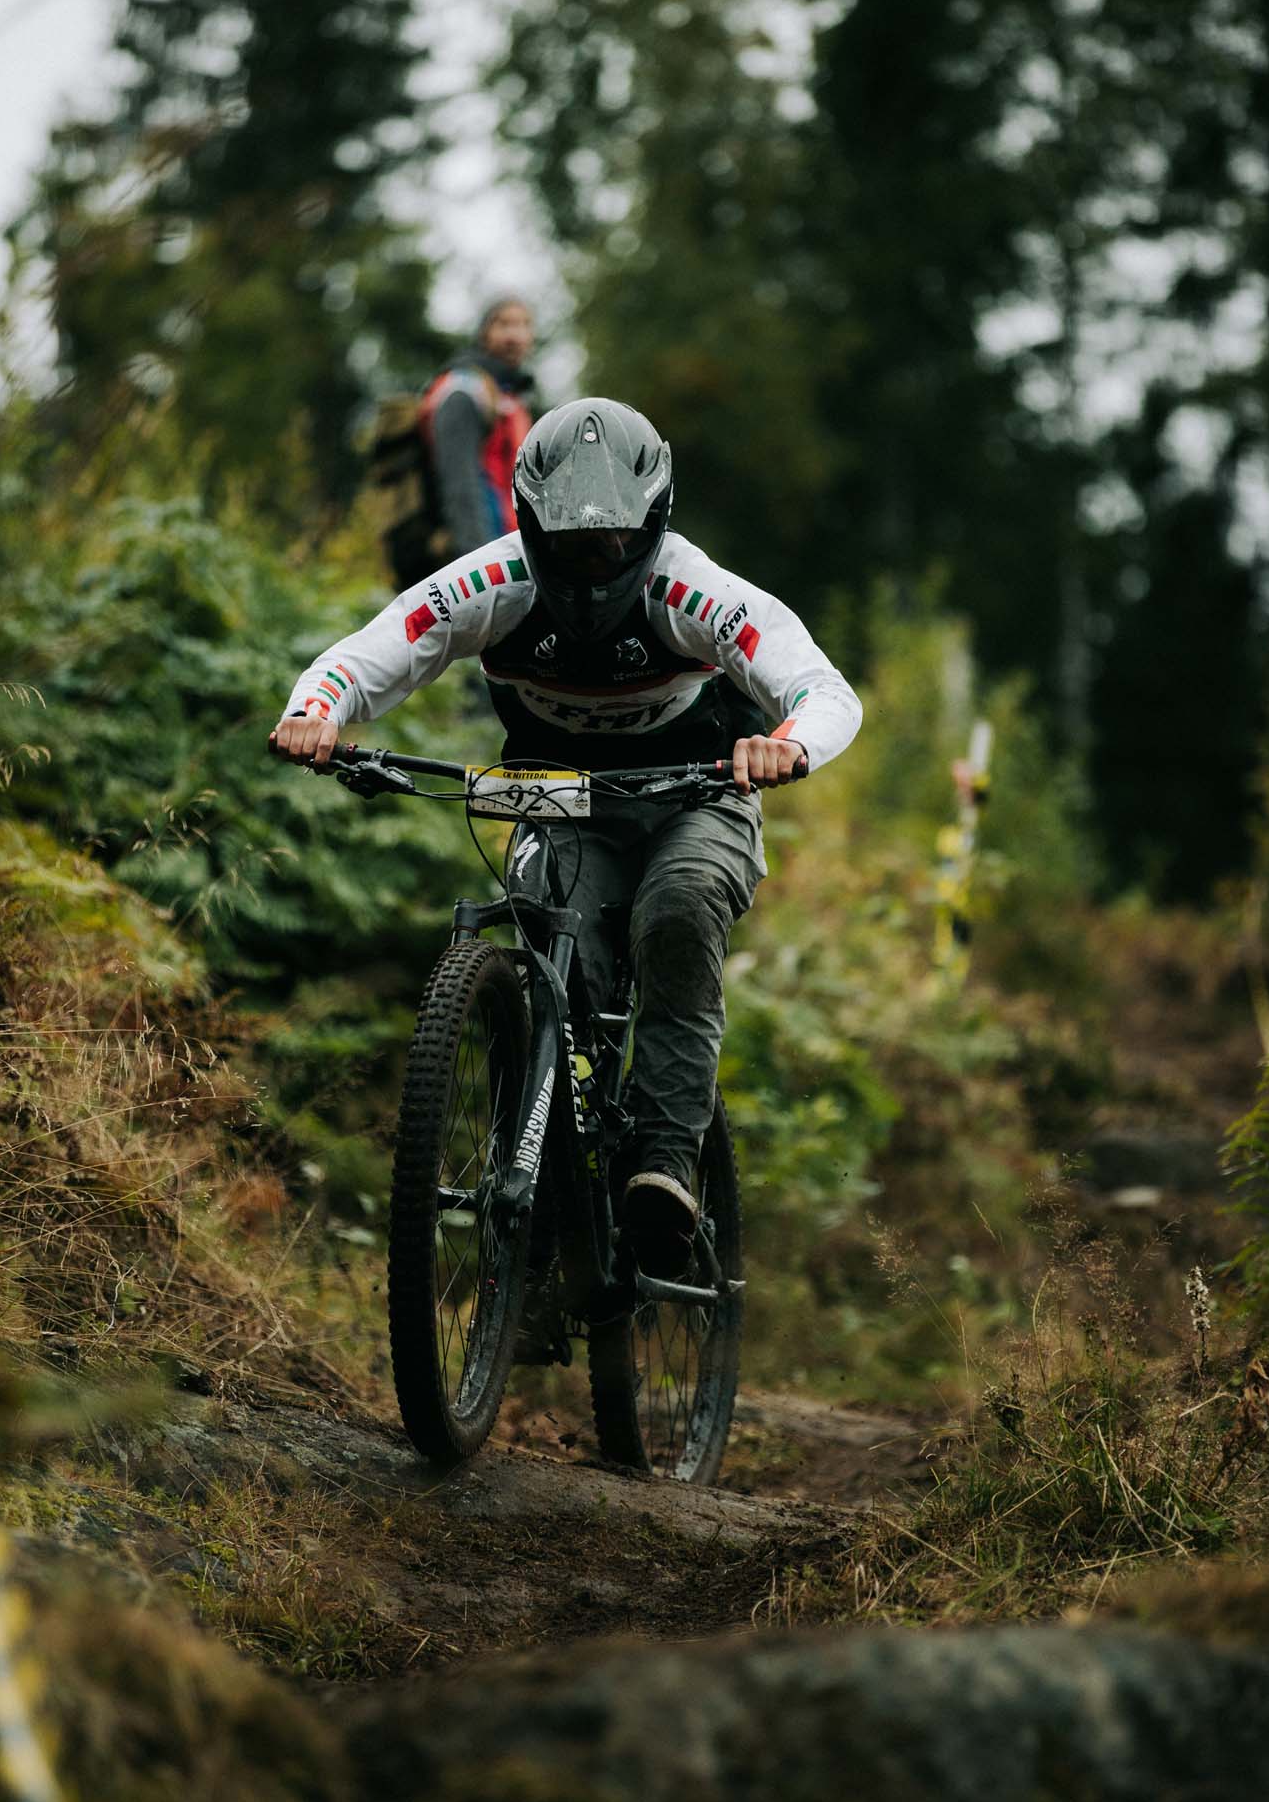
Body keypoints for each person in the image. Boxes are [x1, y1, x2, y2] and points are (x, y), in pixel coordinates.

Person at [272, 398, 862, 1278]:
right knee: (549, 947)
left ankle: (664, 1164)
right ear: (531, 521)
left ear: (653, 521)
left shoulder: (691, 587)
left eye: (614, 541)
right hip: (559, 801)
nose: (595, 561)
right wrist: (315, 711)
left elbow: (821, 688)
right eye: (573, 542)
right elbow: (378, 649)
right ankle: (545, 1184)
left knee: (678, 909)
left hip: (696, 799)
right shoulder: (494, 581)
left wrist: (788, 744)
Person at [423, 296, 536, 553]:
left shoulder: (509, 396)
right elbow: (461, 487)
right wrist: (480, 559)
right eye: (504, 324)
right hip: (478, 553)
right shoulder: (463, 391)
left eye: (523, 325)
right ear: (484, 333)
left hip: (508, 543)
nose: (515, 336)